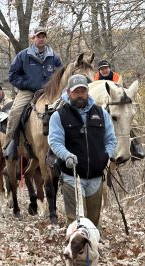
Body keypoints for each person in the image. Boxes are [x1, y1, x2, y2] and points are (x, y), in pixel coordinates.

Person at [49, 75, 117, 228]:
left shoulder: (101, 113)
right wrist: (67, 155)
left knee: (93, 222)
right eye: (76, 91)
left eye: (83, 91)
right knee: (75, 221)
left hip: (96, 176)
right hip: (71, 176)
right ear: (69, 92)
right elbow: (55, 141)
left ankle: (93, 248)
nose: (80, 94)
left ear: (88, 91)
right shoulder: (58, 116)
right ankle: (76, 249)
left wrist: (106, 155)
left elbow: (111, 139)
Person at [4, 27, 63, 158]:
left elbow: (61, 76)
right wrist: (28, 84)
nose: (41, 39)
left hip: (50, 93)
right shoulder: (23, 55)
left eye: (43, 36)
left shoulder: (54, 57)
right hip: (28, 92)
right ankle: (9, 144)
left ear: (46, 38)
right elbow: (13, 76)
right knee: (15, 112)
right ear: (33, 38)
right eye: (38, 36)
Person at [94, 60, 145, 159]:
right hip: (101, 103)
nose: (104, 70)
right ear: (99, 71)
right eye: (102, 69)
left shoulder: (117, 77)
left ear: (109, 68)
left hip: (117, 104)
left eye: (106, 68)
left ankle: (137, 145)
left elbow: (121, 91)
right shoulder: (96, 78)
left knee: (133, 123)